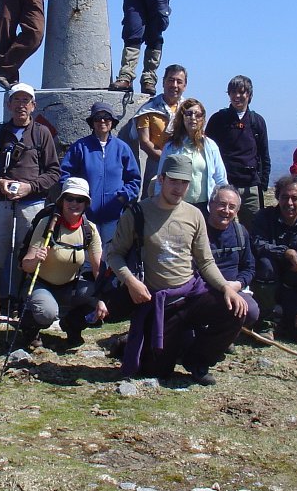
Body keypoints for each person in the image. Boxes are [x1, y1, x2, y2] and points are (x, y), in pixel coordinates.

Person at [106, 154, 248, 385]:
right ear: (162, 179)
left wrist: (225, 288)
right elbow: (114, 254)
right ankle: (134, 345)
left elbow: (205, 261)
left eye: (184, 182)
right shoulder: (137, 214)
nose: (179, 188)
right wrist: (131, 282)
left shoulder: (194, 215)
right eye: (174, 181)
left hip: (192, 294)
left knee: (234, 309)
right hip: (160, 302)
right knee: (155, 371)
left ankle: (197, 360)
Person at [0, 83, 61, 313]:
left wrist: (30, 187)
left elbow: (54, 172)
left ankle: (21, 306)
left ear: (33, 105)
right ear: (8, 104)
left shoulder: (42, 133)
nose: (21, 105)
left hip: (31, 203)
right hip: (0, 203)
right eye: (16, 100)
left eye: (26, 101)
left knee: (28, 254)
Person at [18, 178, 104, 351]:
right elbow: (25, 265)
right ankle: (29, 327)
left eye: (79, 200)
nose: (74, 203)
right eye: (69, 198)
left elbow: (98, 269)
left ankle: (72, 325)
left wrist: (103, 299)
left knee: (101, 300)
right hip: (41, 285)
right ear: (62, 200)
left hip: (70, 286)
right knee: (47, 313)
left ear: (86, 203)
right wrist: (36, 259)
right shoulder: (47, 225)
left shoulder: (89, 230)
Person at [251, 176, 297, 343]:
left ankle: (286, 319)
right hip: (268, 288)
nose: (289, 203)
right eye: (285, 197)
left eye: (295, 198)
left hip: (296, 290)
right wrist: (287, 252)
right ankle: (267, 322)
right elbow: (256, 244)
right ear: (278, 197)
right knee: (265, 264)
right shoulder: (264, 218)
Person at [59, 102, 141, 245]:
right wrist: (75, 199)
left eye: (106, 117)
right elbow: (64, 175)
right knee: (87, 261)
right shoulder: (80, 147)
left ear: (112, 122)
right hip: (85, 216)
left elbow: (134, 180)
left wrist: (121, 198)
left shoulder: (122, 148)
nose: (102, 121)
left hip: (114, 216)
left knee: (111, 258)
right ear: (92, 122)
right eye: (97, 118)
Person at [206, 75, 271, 228]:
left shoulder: (257, 121)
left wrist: (263, 183)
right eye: (233, 92)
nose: (237, 96)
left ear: (249, 95)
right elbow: (207, 151)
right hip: (225, 184)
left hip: (251, 186)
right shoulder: (218, 119)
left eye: (242, 92)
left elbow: (264, 154)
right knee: (220, 226)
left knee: (253, 229)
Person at [154, 99, 227, 214]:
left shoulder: (210, 146)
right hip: (178, 207)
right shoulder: (170, 146)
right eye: (188, 114)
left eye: (198, 115)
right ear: (182, 117)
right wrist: (159, 206)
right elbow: (160, 179)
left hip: (205, 208)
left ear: (202, 119)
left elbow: (221, 179)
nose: (193, 118)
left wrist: (222, 204)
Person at [126, 64, 187, 195]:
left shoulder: (189, 110)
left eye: (179, 82)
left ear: (184, 86)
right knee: (151, 202)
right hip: (156, 164)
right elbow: (145, 142)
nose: (174, 85)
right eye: (171, 80)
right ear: (163, 82)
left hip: (184, 165)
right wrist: (166, 159)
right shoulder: (149, 108)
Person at [205, 185, 260, 328]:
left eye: (231, 207)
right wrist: (221, 287)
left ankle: (228, 332)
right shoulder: (199, 231)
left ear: (237, 211)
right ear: (211, 205)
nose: (226, 211)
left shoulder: (241, 233)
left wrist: (238, 284)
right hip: (205, 288)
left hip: (234, 289)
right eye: (222, 205)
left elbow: (249, 268)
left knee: (252, 311)